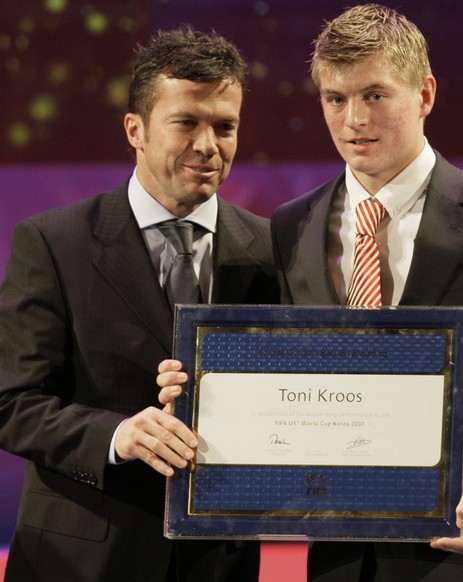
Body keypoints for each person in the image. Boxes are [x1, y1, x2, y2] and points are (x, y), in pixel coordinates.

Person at [158, 5, 463, 581]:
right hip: (340, 560)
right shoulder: (292, 225)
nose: (354, 118)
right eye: (336, 99)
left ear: (425, 94)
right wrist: (202, 389)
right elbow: (285, 377)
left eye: (376, 95)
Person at [0, 26, 278, 582]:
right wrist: (116, 435)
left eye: (225, 127)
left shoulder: (274, 250)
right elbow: (11, 401)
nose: (208, 145)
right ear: (136, 129)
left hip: (220, 561)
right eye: (186, 123)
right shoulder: (54, 242)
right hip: (81, 561)